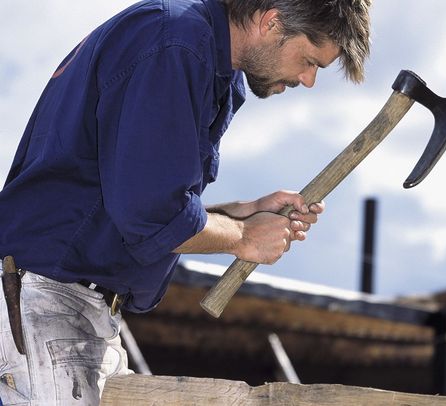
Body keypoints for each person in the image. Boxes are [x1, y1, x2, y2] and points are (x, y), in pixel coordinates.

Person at [0, 0, 371, 404]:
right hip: (47, 298)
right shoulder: (175, 43)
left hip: (77, 307)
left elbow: (139, 201)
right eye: (309, 60)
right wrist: (244, 236)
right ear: (271, 22)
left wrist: (239, 213)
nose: (309, 79)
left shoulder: (199, 54)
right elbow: (151, 216)